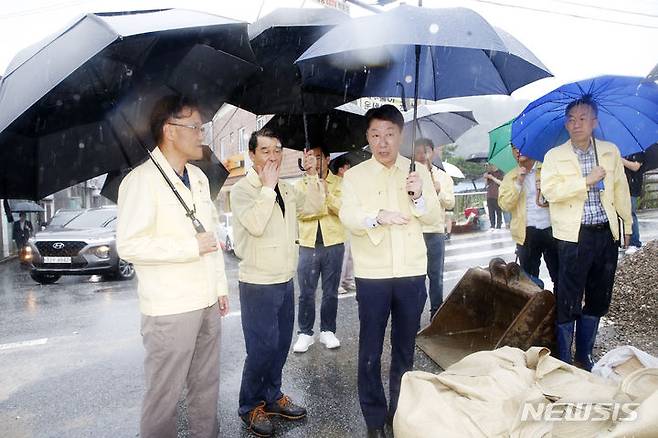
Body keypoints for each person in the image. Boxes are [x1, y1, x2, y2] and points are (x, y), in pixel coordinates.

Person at [116, 95, 230, 438]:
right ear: (169, 130)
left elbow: (209, 236)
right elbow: (129, 245)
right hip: (169, 310)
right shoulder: (140, 181)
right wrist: (188, 247)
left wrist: (220, 287)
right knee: (164, 397)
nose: (201, 134)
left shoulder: (196, 177)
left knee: (206, 387)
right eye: (195, 127)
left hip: (207, 300)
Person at [340, 105, 440, 438]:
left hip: (411, 273)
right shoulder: (355, 176)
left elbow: (433, 219)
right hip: (373, 275)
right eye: (375, 135)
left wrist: (420, 196)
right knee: (370, 349)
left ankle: (399, 412)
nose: (383, 143)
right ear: (367, 138)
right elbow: (348, 217)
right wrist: (376, 216)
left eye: (390, 134)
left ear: (400, 136)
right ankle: (373, 417)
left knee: (404, 348)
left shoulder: (417, 172)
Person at [231, 128, 324, 437]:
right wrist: (267, 188)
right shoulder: (243, 190)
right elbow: (255, 225)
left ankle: (272, 396)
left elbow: (314, 208)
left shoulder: (286, 188)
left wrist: (311, 176)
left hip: (285, 279)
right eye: (266, 150)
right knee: (261, 348)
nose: (273, 156)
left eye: (278, 150)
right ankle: (250, 405)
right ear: (253, 155)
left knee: (281, 344)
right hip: (257, 282)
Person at [541, 98, 631, 371]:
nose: (576, 124)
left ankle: (584, 354)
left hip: (605, 234)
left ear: (595, 122)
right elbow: (550, 192)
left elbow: (620, 190)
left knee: (598, 296)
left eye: (583, 118)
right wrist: (585, 181)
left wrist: (625, 225)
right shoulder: (554, 156)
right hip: (573, 236)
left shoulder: (609, 152)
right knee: (568, 297)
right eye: (571, 118)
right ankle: (565, 359)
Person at [293, 146, 346, 353]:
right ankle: (305, 333)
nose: (314, 162)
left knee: (330, 292)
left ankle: (327, 330)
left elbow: (344, 209)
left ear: (327, 158)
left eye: (317, 157)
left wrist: (326, 196)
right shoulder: (300, 184)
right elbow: (301, 213)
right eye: (310, 158)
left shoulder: (340, 183)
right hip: (307, 244)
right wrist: (321, 203)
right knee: (306, 292)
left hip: (334, 244)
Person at [498, 146, 558, 290]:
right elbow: (505, 204)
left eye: (521, 146)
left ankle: (561, 310)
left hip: (552, 229)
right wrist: (518, 182)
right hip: (526, 232)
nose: (517, 151)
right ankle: (536, 309)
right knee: (529, 280)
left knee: (560, 275)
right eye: (513, 148)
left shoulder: (548, 169)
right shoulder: (511, 176)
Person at [414, 138, 455, 318]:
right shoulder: (410, 174)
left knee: (436, 276)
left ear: (433, 152)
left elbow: (451, 202)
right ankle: (414, 314)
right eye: (419, 151)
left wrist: (438, 190)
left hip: (436, 232)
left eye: (426, 151)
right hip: (415, 232)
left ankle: (436, 313)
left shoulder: (443, 176)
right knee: (416, 277)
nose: (423, 155)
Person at [621, 152, 645, 255]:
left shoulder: (638, 151)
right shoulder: (619, 149)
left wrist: (621, 159)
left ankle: (634, 242)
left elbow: (636, 167)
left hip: (632, 187)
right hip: (619, 186)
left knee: (631, 214)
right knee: (621, 214)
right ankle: (625, 243)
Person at [483, 164, 504, 231]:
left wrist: (492, 178)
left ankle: (498, 226)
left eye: (490, 165)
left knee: (498, 211)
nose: (490, 167)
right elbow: (486, 185)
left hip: (497, 195)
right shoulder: (489, 173)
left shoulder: (500, 172)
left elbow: (501, 183)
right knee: (491, 211)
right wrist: (485, 178)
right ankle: (492, 226)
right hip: (489, 194)